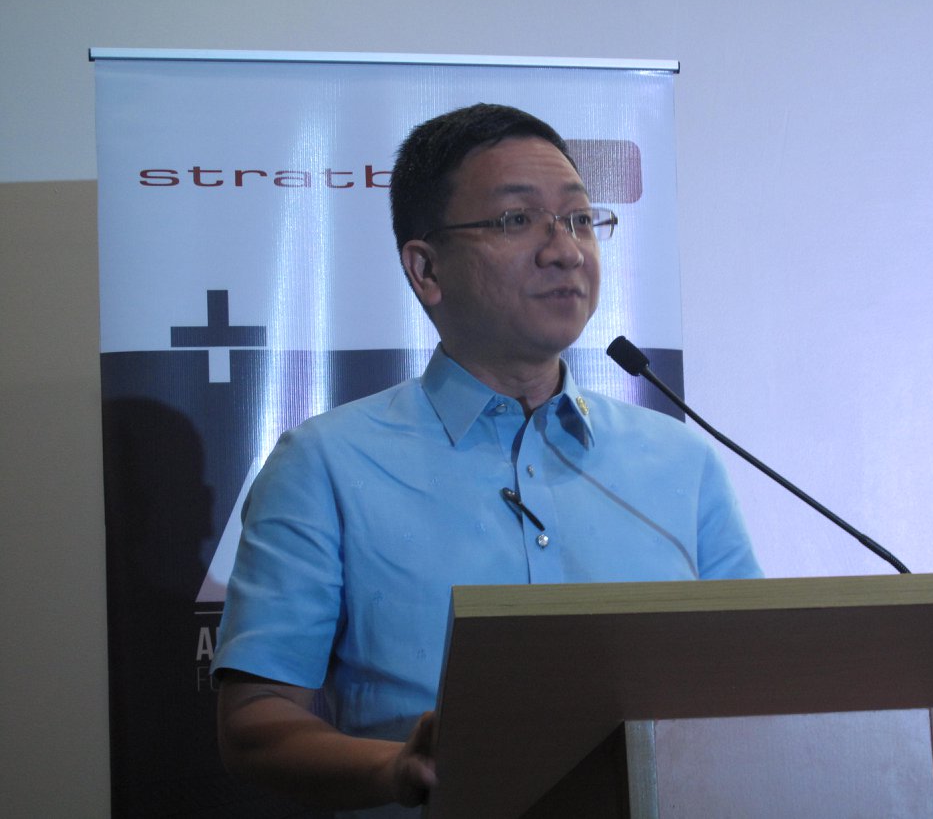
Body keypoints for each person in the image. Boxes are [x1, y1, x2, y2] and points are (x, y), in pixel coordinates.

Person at [213, 103, 762, 817]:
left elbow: (755, 683)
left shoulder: (682, 462)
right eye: (516, 219)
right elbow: (255, 722)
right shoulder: (325, 465)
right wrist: (397, 769)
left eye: (580, 218)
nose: (565, 250)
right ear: (426, 269)